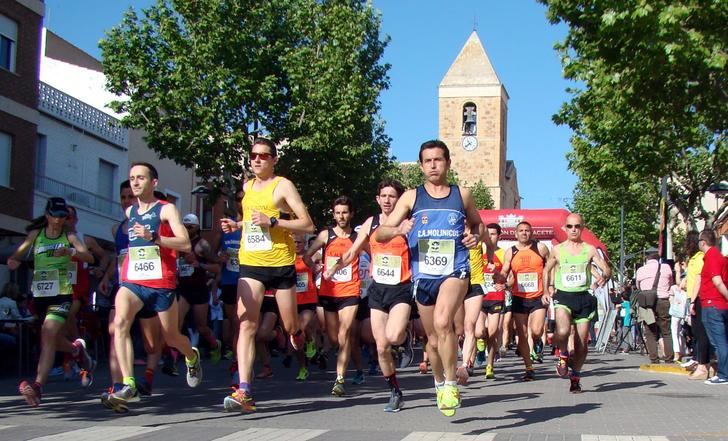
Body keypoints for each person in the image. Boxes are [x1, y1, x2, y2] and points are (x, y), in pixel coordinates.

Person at [375, 140, 484, 417]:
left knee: (443, 321)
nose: (433, 165)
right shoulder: (411, 197)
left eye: (438, 159)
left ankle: (450, 384)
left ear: (447, 162)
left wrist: (476, 236)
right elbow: (380, 234)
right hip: (423, 276)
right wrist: (400, 228)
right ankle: (439, 383)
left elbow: (478, 224)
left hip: (455, 269)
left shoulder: (463, 195)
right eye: (427, 161)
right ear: (422, 165)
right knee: (434, 340)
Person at [220, 137, 315, 412]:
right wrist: (236, 224)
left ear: (274, 159)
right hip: (251, 263)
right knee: (246, 324)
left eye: (263, 155)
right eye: (253, 155)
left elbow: (307, 224)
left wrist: (274, 221)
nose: (257, 160)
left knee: (290, 326)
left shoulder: (282, 185)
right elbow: (253, 220)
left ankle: (297, 335)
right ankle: (245, 389)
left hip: (281, 264)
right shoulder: (247, 186)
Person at [102, 162, 202, 413]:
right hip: (132, 280)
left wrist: (154, 237)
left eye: (140, 178)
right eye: (132, 178)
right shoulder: (129, 213)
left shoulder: (166, 210)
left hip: (161, 283)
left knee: (171, 337)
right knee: (120, 323)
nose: (135, 183)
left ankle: (191, 356)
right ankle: (128, 384)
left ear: (153, 182)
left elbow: (185, 245)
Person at [325, 179, 413, 411]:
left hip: (401, 287)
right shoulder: (370, 223)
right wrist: (334, 268)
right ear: (377, 199)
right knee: (381, 346)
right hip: (377, 288)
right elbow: (352, 251)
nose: (387, 200)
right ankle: (394, 391)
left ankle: (405, 340)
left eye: (392, 196)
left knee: (393, 336)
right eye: (383, 196)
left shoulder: (408, 223)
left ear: (400, 200)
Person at [7, 197, 96, 407]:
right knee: (50, 340)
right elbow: (20, 251)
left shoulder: (70, 236)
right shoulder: (36, 235)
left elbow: (89, 258)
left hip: (61, 295)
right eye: (55, 216)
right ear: (47, 216)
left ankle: (37, 387)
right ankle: (76, 351)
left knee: (48, 333)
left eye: (62, 216)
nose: (58, 220)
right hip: (39, 295)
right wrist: (14, 259)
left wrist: (71, 251)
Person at [544, 213, 611, 393]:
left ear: (582, 228)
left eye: (577, 226)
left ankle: (575, 376)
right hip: (564, 295)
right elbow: (547, 269)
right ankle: (563, 354)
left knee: (582, 342)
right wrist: (546, 289)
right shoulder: (557, 250)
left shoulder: (589, 249)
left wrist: (605, 275)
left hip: (583, 297)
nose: (574, 230)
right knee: (564, 330)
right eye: (570, 226)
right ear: (565, 228)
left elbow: (604, 267)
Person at [307, 196, 362, 397]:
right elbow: (307, 255)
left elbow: (375, 253)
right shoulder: (325, 235)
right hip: (329, 292)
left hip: (350, 291)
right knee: (333, 337)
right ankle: (341, 365)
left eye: (345, 212)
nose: (341, 216)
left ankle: (339, 379)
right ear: (334, 214)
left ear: (351, 214)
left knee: (345, 332)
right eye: (338, 212)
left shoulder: (357, 238)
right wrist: (315, 266)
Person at [500, 221, 550, 381]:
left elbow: (551, 267)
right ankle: (529, 367)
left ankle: (537, 342)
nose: (524, 233)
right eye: (521, 231)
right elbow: (504, 271)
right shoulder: (510, 252)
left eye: (527, 230)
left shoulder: (540, 248)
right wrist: (500, 279)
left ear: (531, 233)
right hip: (519, 298)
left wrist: (551, 287)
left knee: (536, 331)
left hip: (538, 296)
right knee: (522, 334)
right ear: (516, 234)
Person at [177, 213, 222, 363]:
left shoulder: (202, 244)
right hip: (184, 289)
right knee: (176, 324)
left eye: (190, 226)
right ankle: (180, 356)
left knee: (201, 326)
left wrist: (199, 265)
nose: (187, 229)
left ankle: (215, 345)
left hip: (199, 289)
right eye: (184, 226)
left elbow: (216, 267)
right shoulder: (179, 243)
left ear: (196, 228)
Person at [695, 229, 728, 385]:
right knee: (721, 340)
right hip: (719, 305)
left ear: (703, 242)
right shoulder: (720, 257)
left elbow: (717, 281)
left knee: (718, 341)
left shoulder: (712, 258)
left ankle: (723, 374)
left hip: (712, 304)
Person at [479, 223, 507, 379]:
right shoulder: (478, 251)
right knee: (479, 331)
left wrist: (498, 275)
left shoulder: (503, 254)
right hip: (479, 296)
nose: (490, 237)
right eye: (487, 234)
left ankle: (490, 365)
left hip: (496, 298)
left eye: (493, 234)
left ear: (499, 236)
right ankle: (479, 343)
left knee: (492, 332)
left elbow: (508, 277)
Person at [683, 231, 712, 379]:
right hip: (694, 297)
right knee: (697, 333)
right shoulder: (694, 259)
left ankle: (703, 366)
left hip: (699, 298)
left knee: (701, 333)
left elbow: (700, 280)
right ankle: (704, 364)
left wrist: (693, 301)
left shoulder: (700, 258)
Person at [635, 252, 673, 363]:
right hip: (662, 300)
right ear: (658, 259)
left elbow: (638, 286)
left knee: (649, 330)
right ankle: (669, 358)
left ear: (647, 259)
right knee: (666, 330)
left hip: (646, 302)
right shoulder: (666, 267)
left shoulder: (641, 270)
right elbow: (670, 282)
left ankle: (654, 358)